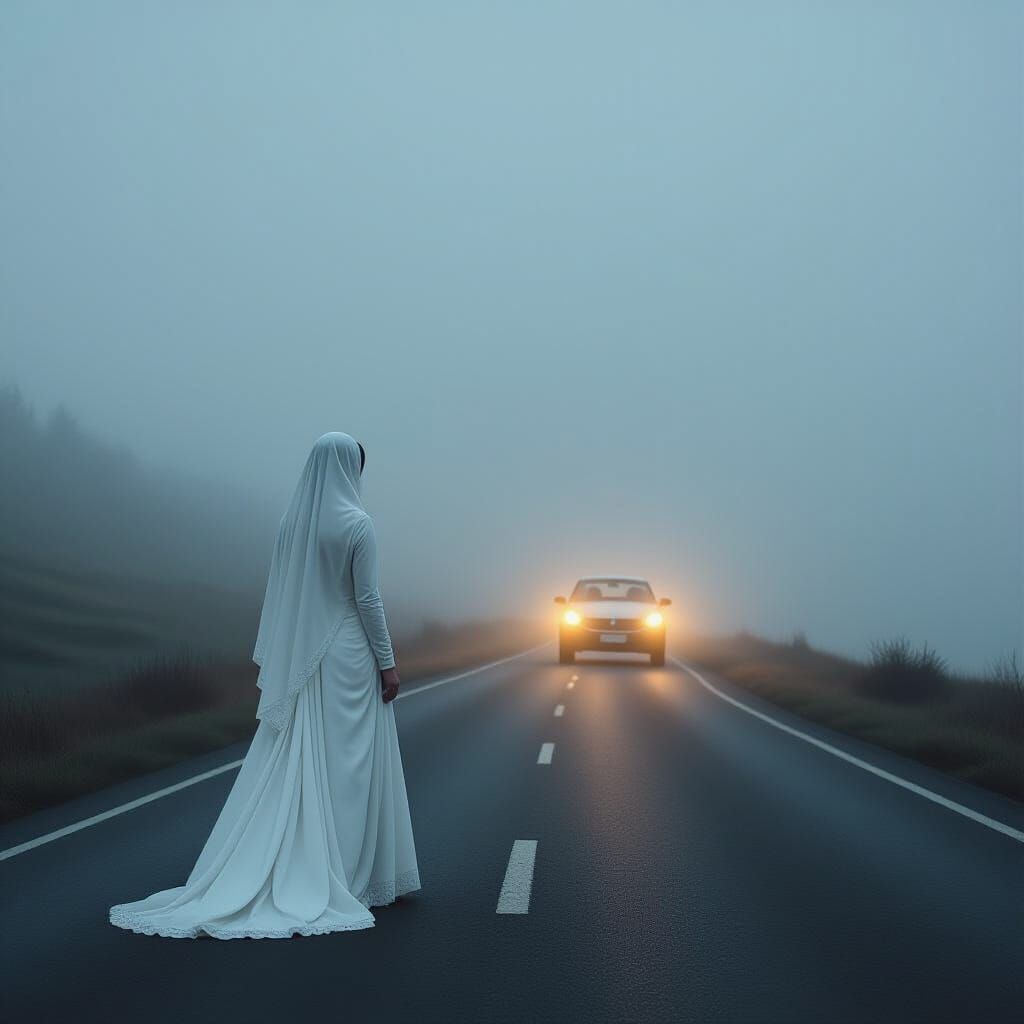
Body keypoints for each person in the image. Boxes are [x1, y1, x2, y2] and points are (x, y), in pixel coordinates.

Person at [109, 432, 420, 938]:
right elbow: (368, 600)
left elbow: (285, 595)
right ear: (349, 469)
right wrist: (388, 663)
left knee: (307, 760)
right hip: (348, 653)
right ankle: (351, 874)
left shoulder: (291, 524)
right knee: (352, 768)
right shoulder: (359, 525)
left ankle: (309, 867)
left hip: (306, 658)